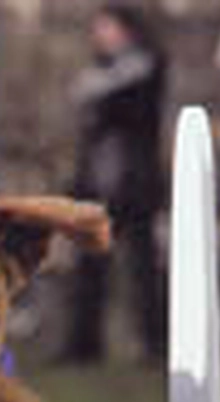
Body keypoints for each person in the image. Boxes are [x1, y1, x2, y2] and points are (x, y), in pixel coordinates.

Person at [61, 3, 167, 367]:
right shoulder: (100, 73)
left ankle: (154, 345)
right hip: (96, 182)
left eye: (110, 28)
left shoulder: (145, 67)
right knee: (88, 269)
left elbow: (114, 110)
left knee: (142, 271)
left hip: (132, 182)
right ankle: (83, 345)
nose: (103, 36)